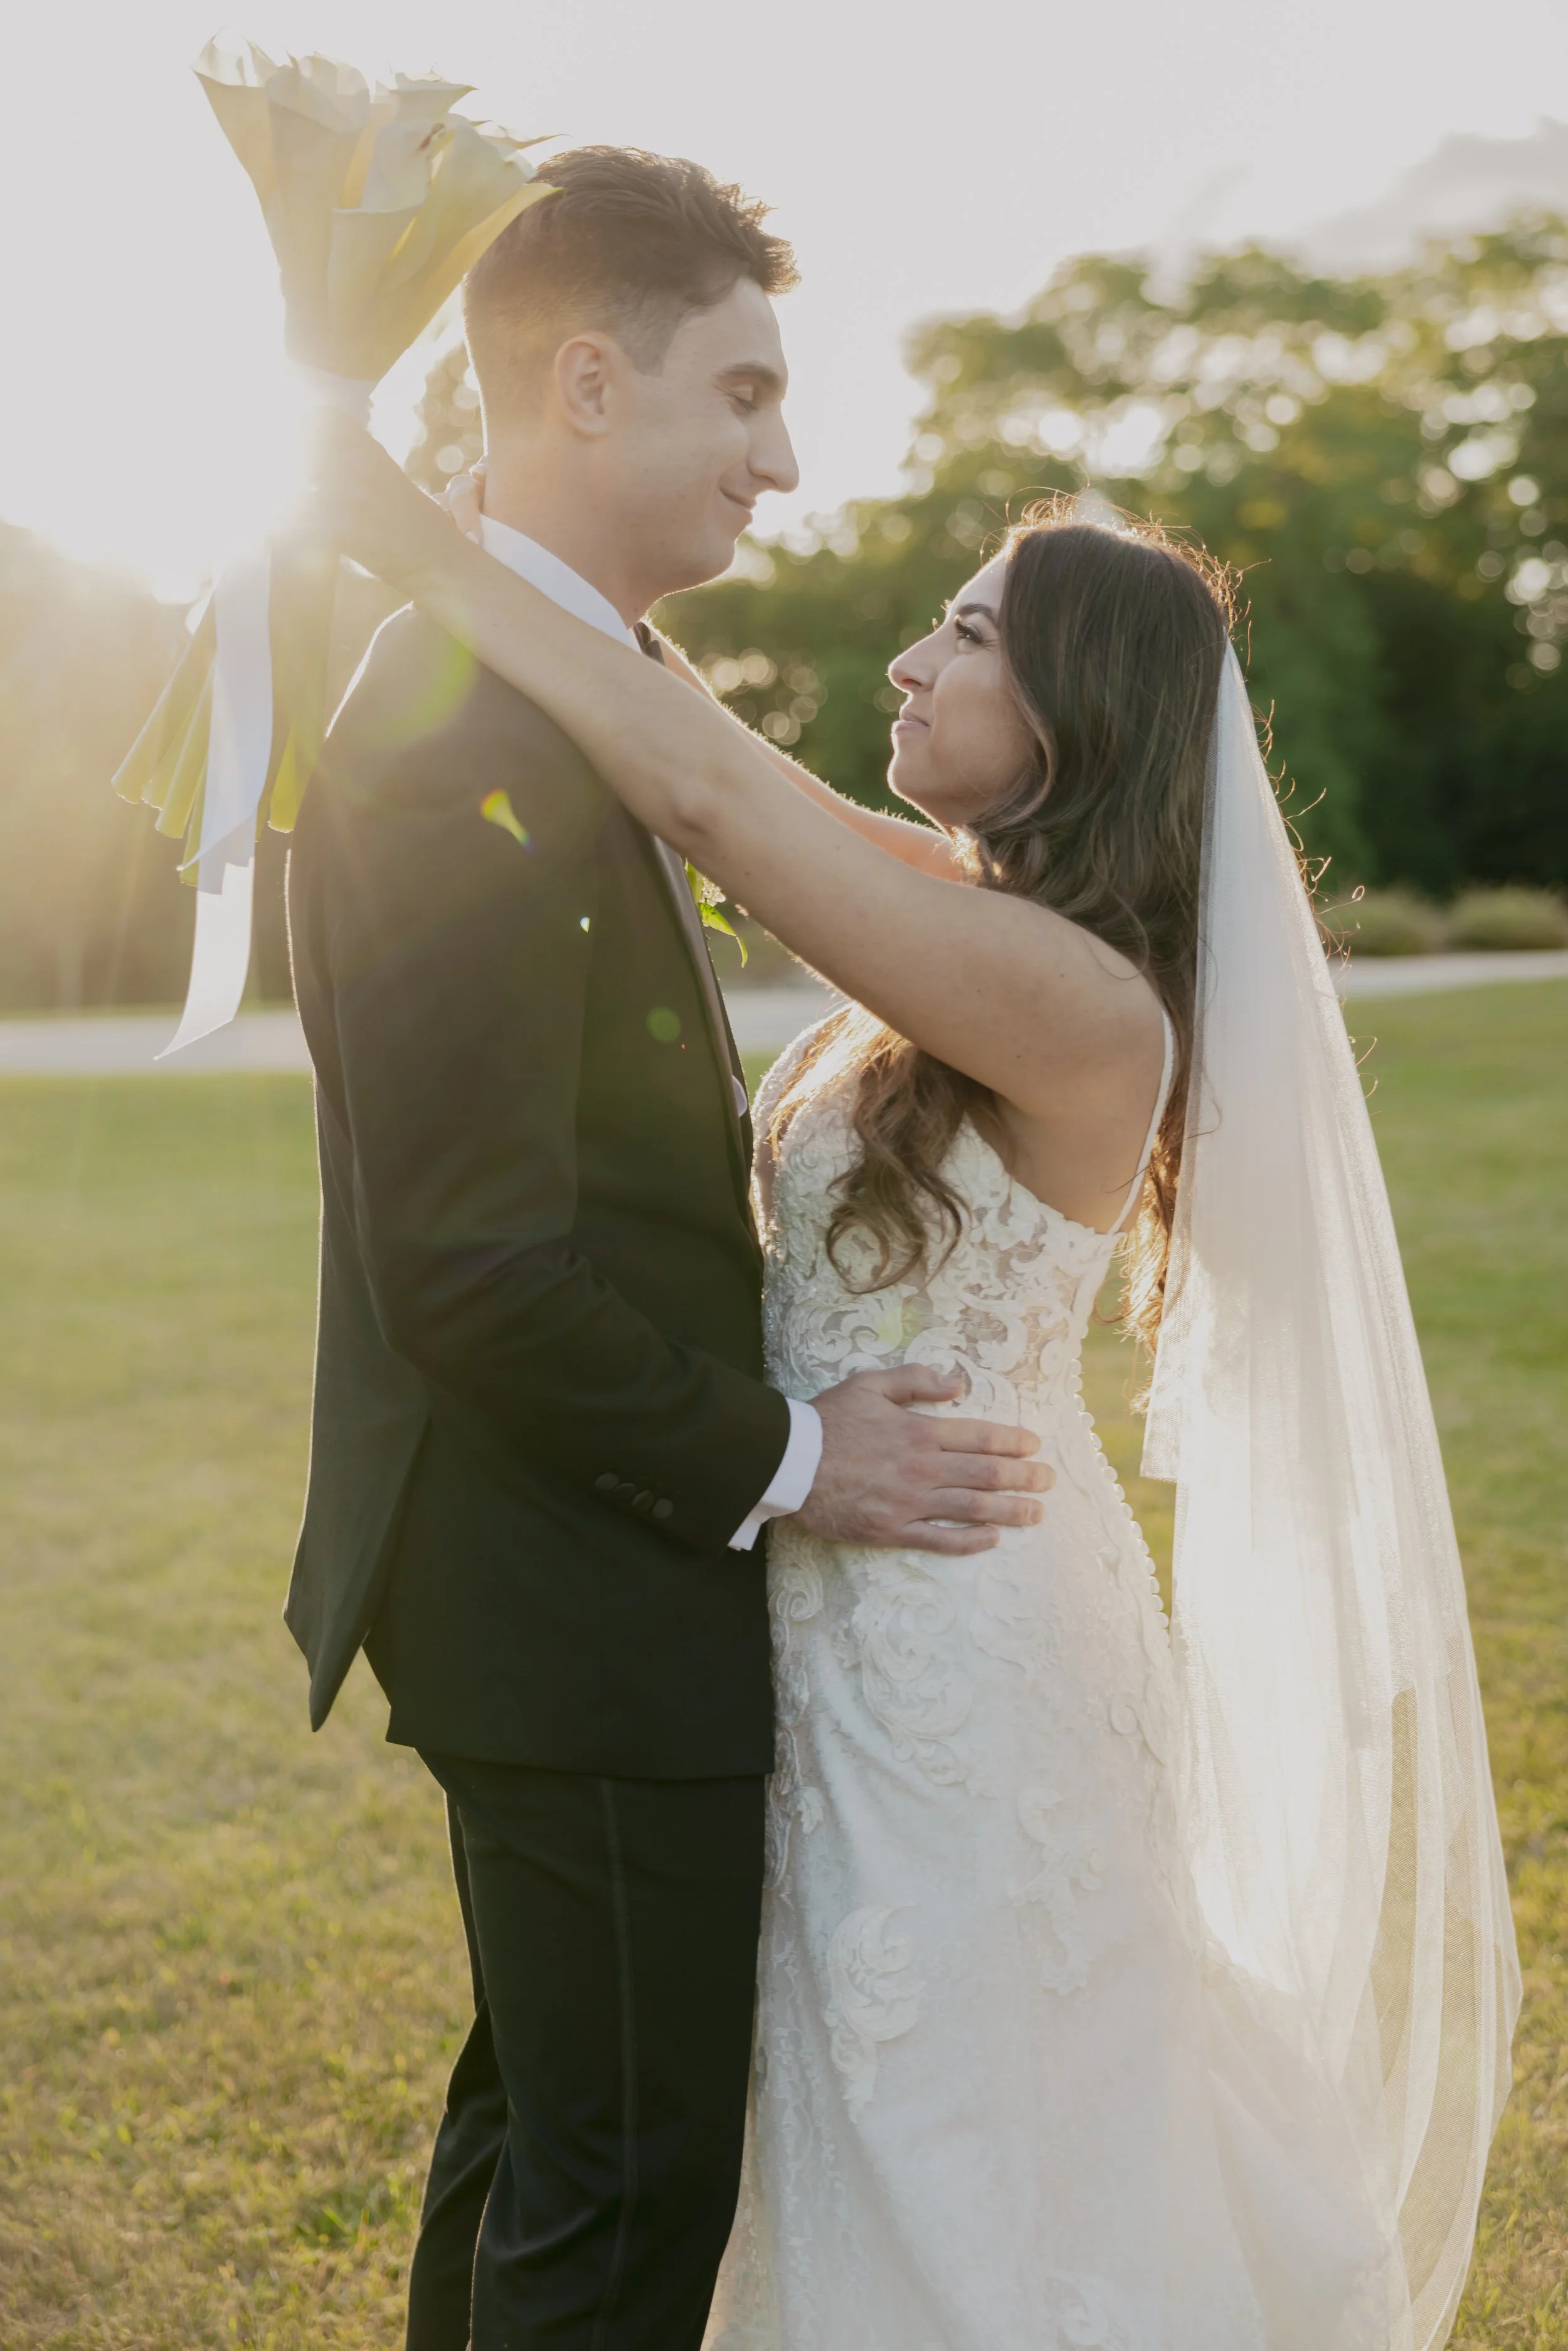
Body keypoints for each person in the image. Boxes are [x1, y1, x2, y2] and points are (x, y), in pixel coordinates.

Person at [305, 397, 1520, 2351]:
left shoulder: (1077, 999)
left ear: (1076, 716)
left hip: (958, 1638)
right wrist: (509, 536)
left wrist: (405, 541)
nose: (909, 653)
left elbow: (707, 803)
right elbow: (700, 743)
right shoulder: (975, 914)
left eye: (966, 633)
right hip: (823, 1579)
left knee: (961, 2132)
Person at [284, 149, 1052, 2351]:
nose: (784, 460)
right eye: (746, 393)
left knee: (545, 2152)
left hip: (582, 1579)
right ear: (590, 383)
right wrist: (804, 1458)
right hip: (576, 1588)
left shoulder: (551, 690)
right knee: (617, 2212)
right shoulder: (451, 735)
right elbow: (472, 1266)